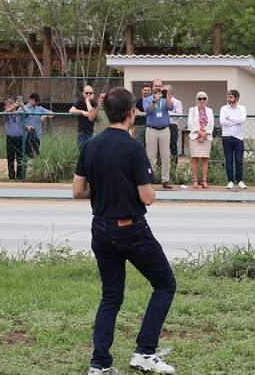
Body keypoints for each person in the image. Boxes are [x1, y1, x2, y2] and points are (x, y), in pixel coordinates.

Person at [72, 87, 177, 375]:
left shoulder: (90, 145)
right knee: (165, 284)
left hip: (100, 229)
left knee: (111, 296)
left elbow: (78, 191)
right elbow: (148, 197)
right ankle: (144, 351)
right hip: (130, 230)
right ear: (132, 113)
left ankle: (100, 365)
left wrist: (106, 187)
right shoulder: (134, 148)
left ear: (105, 111)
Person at [144, 80, 173, 190]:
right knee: (150, 156)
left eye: (160, 86)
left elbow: (171, 107)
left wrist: (167, 98)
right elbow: (148, 110)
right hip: (152, 129)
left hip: (165, 129)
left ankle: (165, 180)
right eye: (156, 86)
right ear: (152, 87)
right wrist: (155, 101)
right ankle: (149, 180)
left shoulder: (165, 99)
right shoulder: (147, 99)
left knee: (165, 156)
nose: (158, 87)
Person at [220, 89, 248, 189]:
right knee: (228, 160)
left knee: (239, 160)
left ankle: (239, 180)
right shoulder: (224, 108)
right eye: (228, 97)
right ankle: (230, 181)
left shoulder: (242, 108)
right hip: (227, 137)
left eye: (231, 97)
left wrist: (230, 118)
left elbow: (243, 120)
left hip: (238, 137)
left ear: (237, 98)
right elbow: (222, 121)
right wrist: (236, 121)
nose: (229, 99)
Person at [187, 91, 214, 189]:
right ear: (196, 100)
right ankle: (195, 181)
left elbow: (211, 125)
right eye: (199, 98)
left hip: (206, 137)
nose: (202, 100)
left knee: (205, 159)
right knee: (195, 159)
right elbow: (190, 124)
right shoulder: (192, 110)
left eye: (203, 98)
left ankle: (204, 181)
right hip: (195, 136)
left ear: (206, 100)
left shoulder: (210, 111)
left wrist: (205, 135)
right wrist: (200, 133)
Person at [19, 92, 50, 158]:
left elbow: (51, 113)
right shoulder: (23, 108)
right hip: (25, 135)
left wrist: (46, 115)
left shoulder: (39, 109)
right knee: (24, 154)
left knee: (36, 154)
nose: (37, 102)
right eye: (36, 101)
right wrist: (26, 127)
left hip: (36, 136)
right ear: (31, 99)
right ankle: (24, 167)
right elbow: (17, 121)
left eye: (38, 101)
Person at [3, 98, 25, 179]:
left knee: (20, 158)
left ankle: (20, 176)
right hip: (10, 139)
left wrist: (22, 107)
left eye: (10, 104)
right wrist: (12, 107)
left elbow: (27, 114)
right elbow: (6, 112)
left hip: (20, 139)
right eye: (7, 105)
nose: (8, 106)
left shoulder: (19, 113)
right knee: (10, 158)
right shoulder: (6, 115)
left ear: (14, 105)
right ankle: (11, 176)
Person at [164, 85, 183, 166]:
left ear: (169, 92)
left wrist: (169, 113)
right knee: (161, 147)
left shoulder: (177, 102)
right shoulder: (161, 101)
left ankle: (173, 168)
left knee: (173, 147)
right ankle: (160, 166)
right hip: (163, 125)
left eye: (163, 91)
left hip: (172, 126)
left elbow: (180, 115)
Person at [134, 82, 152, 147]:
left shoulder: (153, 101)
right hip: (139, 126)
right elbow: (135, 113)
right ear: (142, 91)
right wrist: (148, 112)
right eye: (145, 90)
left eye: (148, 90)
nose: (146, 92)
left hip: (151, 127)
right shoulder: (137, 101)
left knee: (150, 145)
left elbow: (153, 112)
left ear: (151, 91)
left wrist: (141, 113)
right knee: (139, 145)